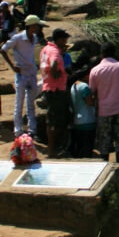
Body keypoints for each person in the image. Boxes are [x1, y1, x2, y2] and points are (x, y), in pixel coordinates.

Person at [88, 42, 119, 165]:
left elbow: (92, 91)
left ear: (102, 54)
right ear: (114, 53)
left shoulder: (95, 70)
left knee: (104, 139)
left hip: (104, 110)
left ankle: (105, 165)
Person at [0, 15, 47, 139]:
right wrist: (12, 66)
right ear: (31, 26)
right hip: (21, 74)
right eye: (36, 25)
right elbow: (3, 50)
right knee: (19, 102)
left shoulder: (34, 38)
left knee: (30, 103)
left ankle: (32, 130)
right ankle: (18, 130)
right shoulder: (18, 38)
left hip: (31, 73)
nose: (38, 28)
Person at [40, 28, 72, 157]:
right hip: (56, 89)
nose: (65, 42)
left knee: (52, 119)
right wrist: (55, 74)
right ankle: (53, 150)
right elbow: (53, 64)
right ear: (59, 39)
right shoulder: (55, 52)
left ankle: (52, 149)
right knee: (56, 121)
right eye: (64, 39)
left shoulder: (45, 49)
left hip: (48, 86)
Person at [68, 65, 96, 158]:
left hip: (77, 121)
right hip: (87, 120)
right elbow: (89, 103)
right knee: (87, 148)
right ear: (86, 75)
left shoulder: (74, 85)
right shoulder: (84, 87)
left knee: (80, 147)